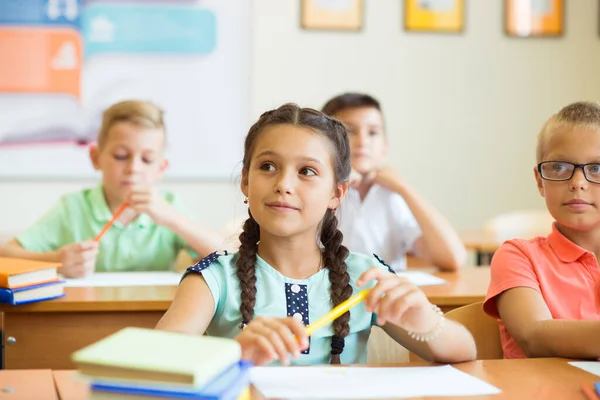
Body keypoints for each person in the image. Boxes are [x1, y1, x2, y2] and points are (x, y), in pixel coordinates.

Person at [156, 103, 476, 366]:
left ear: (337, 194)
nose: (284, 184)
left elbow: (465, 351)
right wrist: (232, 355)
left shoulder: (365, 278)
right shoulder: (214, 279)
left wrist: (424, 319)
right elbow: (151, 361)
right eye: (267, 166)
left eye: (307, 171)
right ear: (245, 181)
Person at [0, 100, 223, 277]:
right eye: (121, 156)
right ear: (96, 158)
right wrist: (56, 261)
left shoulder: (170, 206)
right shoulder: (73, 208)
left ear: (161, 168)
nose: (133, 168)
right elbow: (5, 256)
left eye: (146, 159)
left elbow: (224, 254)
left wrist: (171, 218)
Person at [484, 101, 600, 359]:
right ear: (539, 181)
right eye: (559, 167)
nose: (578, 183)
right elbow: (534, 336)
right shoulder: (518, 256)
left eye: (596, 168)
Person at [322, 93, 465, 271]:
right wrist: (331, 185)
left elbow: (452, 258)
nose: (363, 141)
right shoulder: (315, 192)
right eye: (350, 131)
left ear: (384, 148)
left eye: (373, 132)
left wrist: (404, 188)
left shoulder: (392, 197)